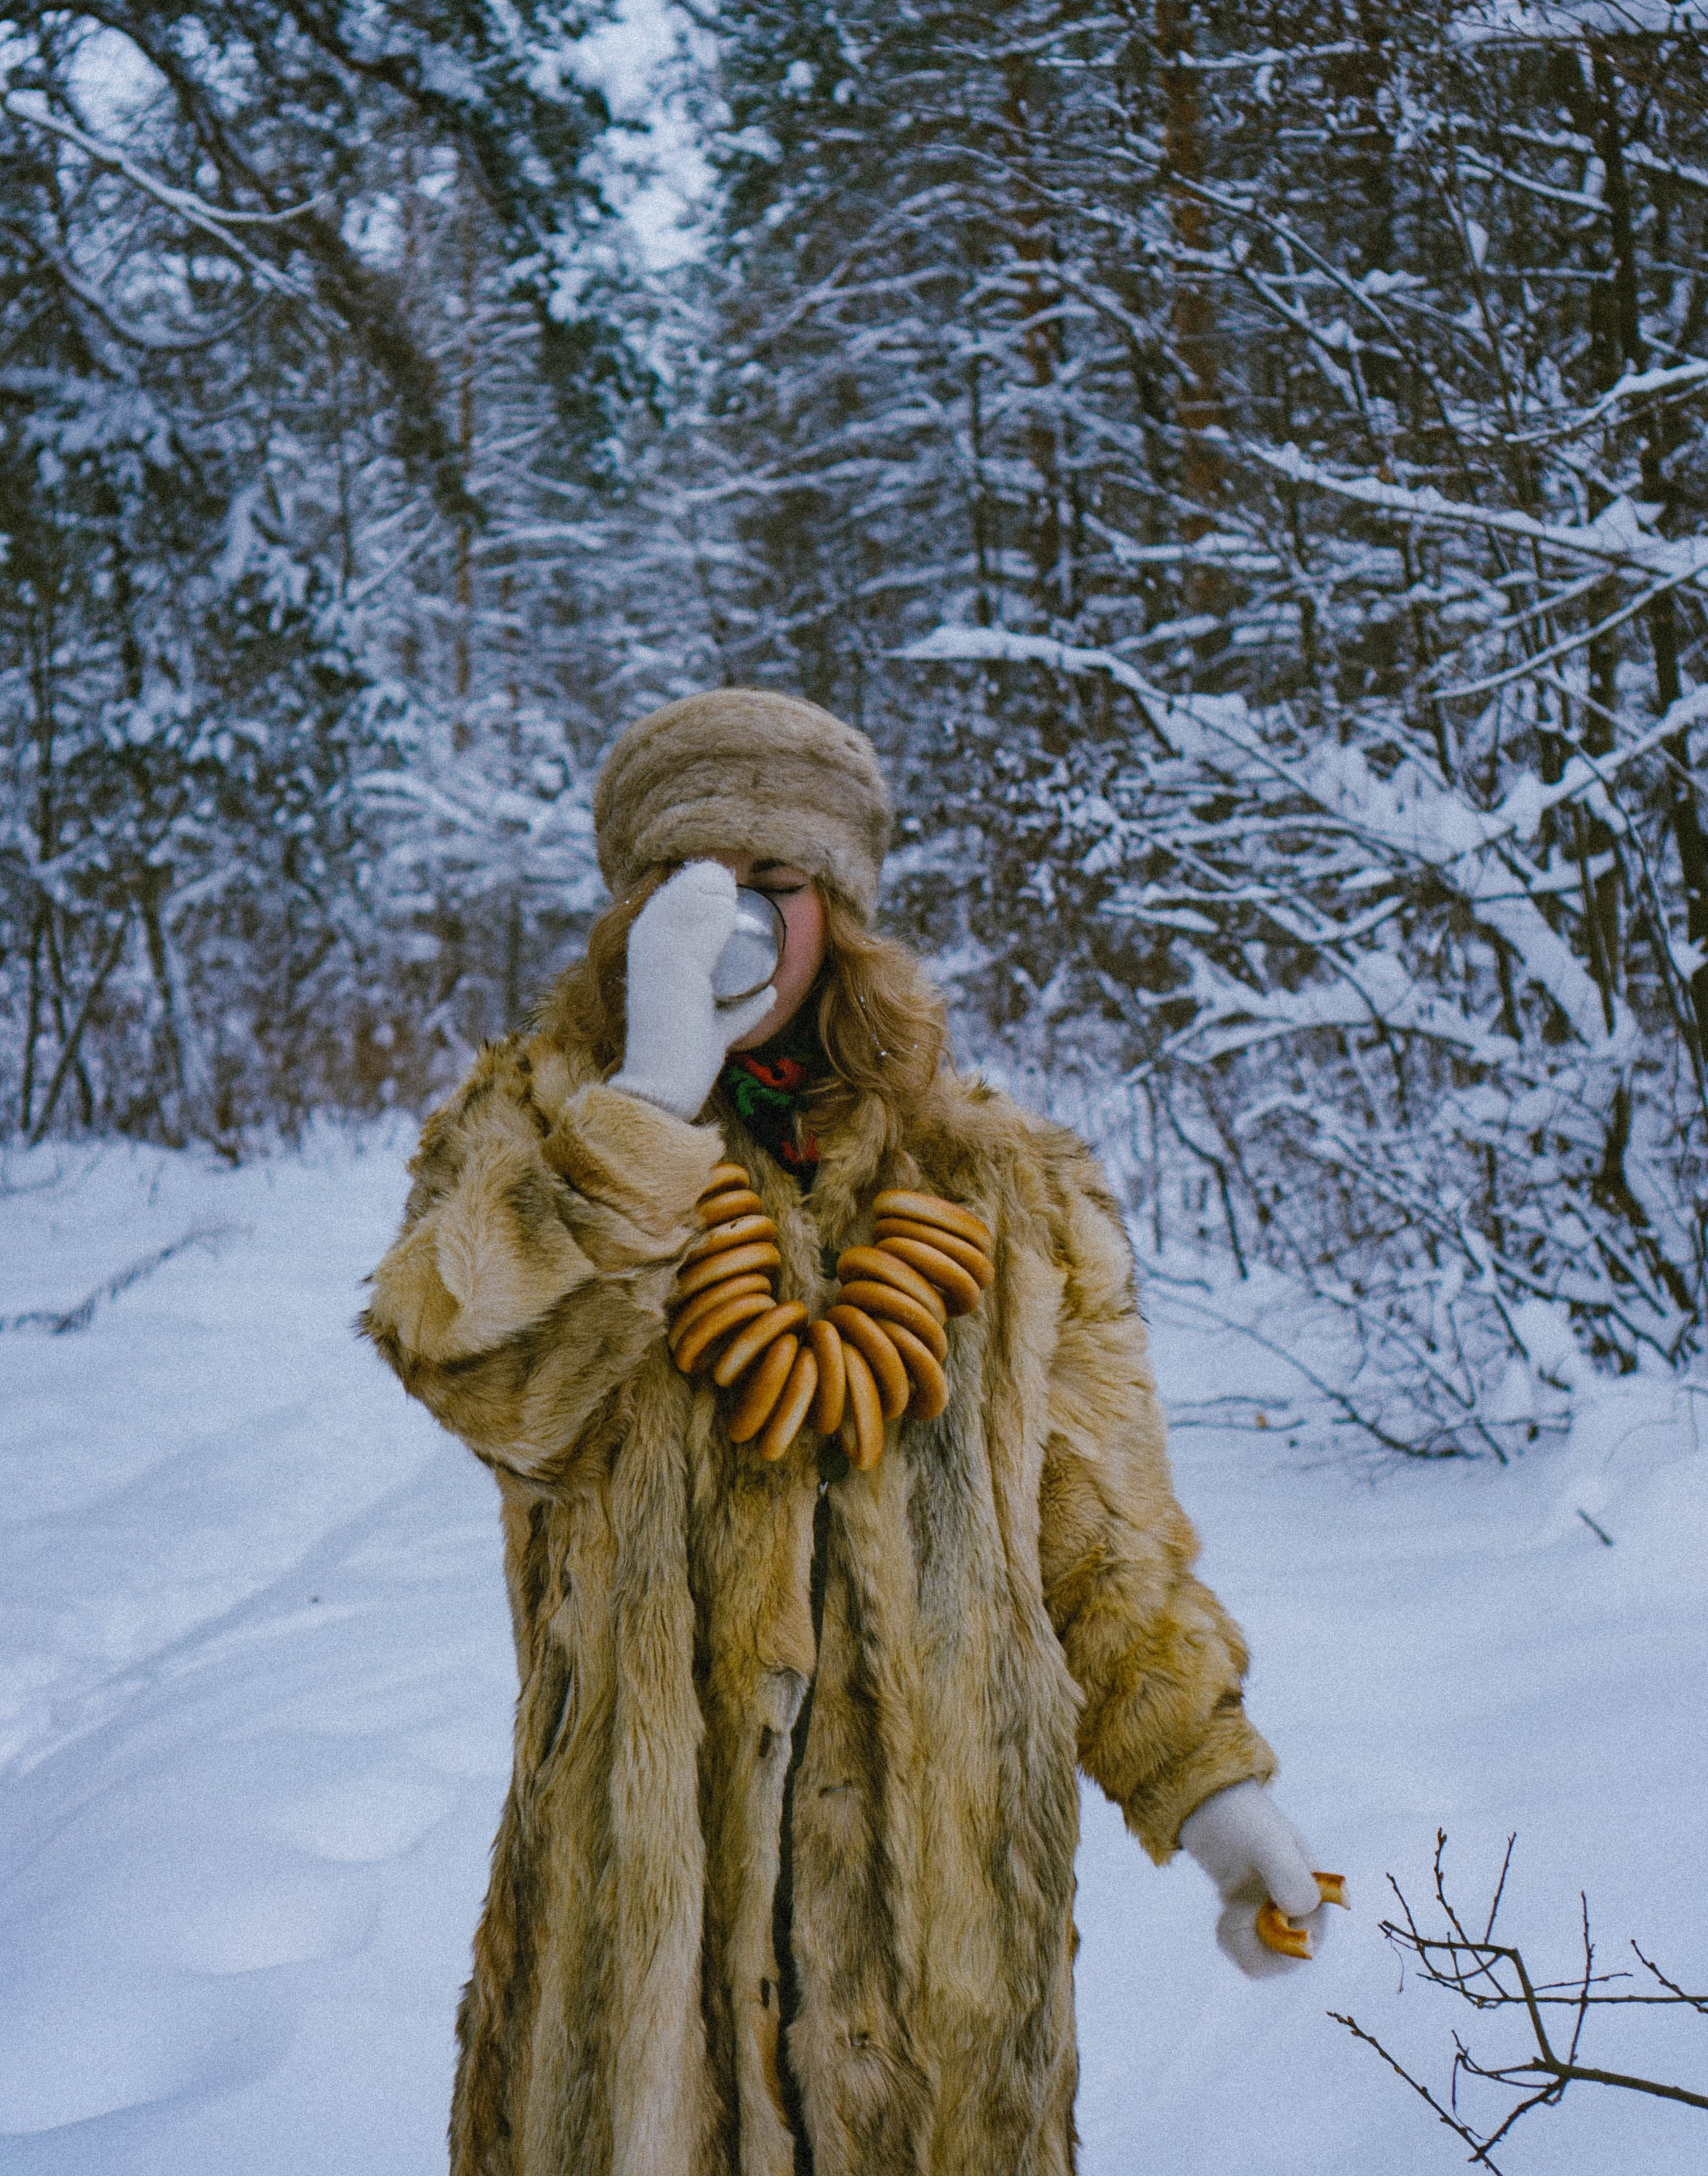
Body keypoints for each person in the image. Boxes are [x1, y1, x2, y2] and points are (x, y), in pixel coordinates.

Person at [362, 688, 1336, 2176]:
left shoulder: (1004, 1183)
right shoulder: (539, 1138)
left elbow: (1095, 1539)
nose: (735, 925)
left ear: (843, 908)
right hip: (638, 1962)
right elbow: (479, 1374)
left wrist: (1211, 1787)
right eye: (688, 889)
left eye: (773, 886)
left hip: (940, 1969)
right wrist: (647, 1111)